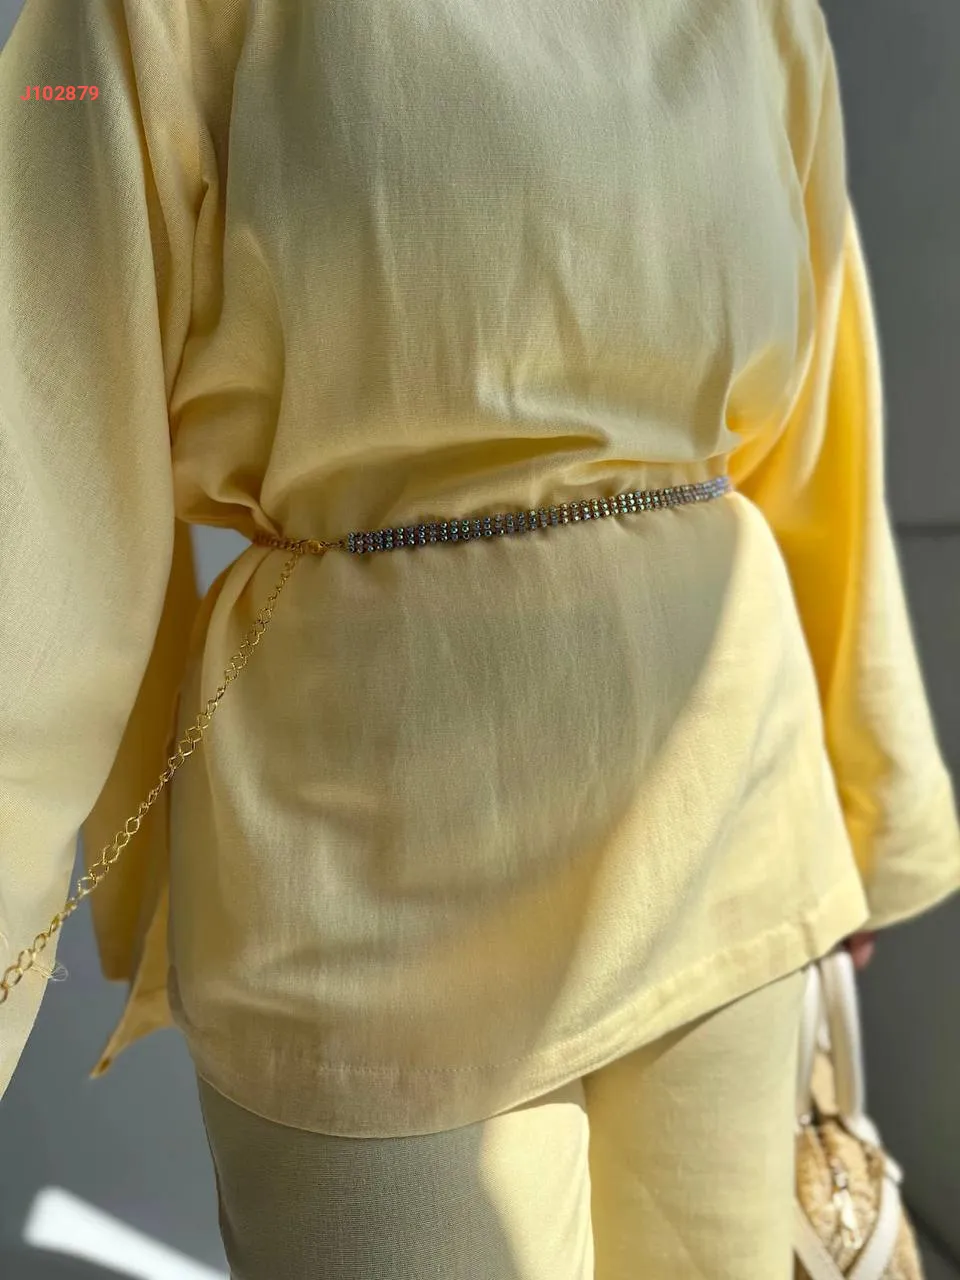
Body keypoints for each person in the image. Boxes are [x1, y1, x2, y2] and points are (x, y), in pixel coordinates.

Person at [1, 0, 958, 1276]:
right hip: (367, 856)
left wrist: (862, 804)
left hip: (732, 809)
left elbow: (820, 418)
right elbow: (42, 467)